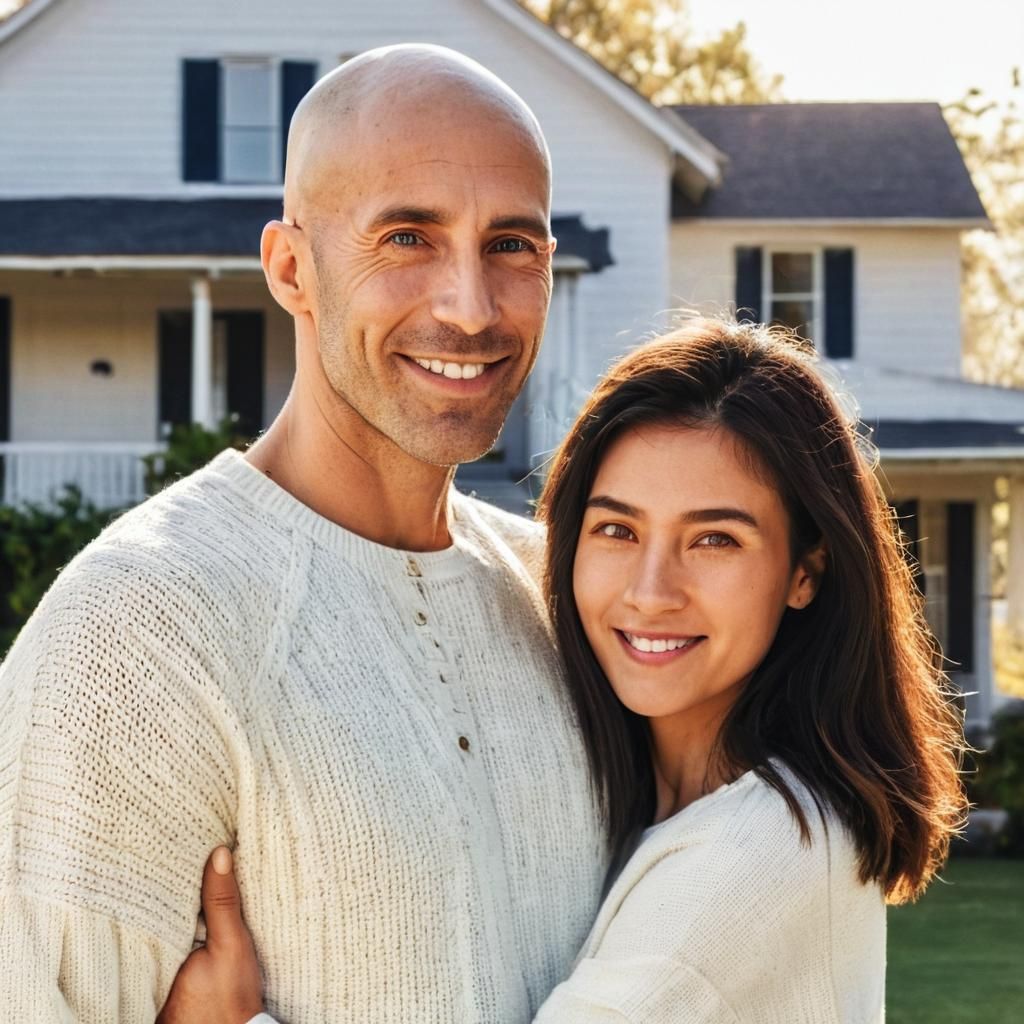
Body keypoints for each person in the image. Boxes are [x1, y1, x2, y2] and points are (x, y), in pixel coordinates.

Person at [0, 45, 606, 1022]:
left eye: (512, 246)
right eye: (407, 238)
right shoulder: (139, 632)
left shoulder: (562, 597)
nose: (470, 306)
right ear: (291, 268)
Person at [162, 318, 966, 1023]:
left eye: (715, 539)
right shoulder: (639, 794)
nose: (651, 594)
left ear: (806, 573)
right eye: (617, 531)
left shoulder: (761, 850)